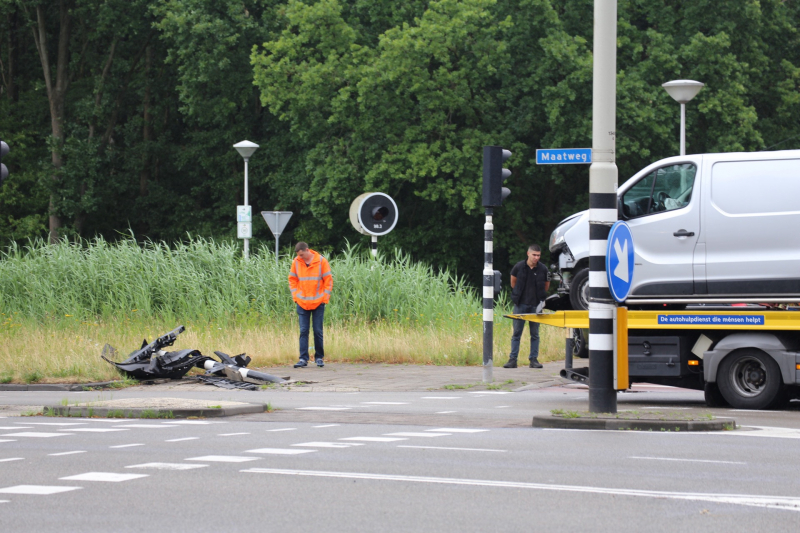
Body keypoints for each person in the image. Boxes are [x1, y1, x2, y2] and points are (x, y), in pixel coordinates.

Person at [504, 244, 550, 369]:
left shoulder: (543, 269)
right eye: (534, 255)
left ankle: (533, 360)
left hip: (536, 305)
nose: (536, 258)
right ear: (528, 254)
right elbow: (513, 283)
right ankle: (513, 359)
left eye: (538, 255)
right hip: (520, 304)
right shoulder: (518, 267)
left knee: (535, 334)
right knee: (516, 333)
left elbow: (546, 286)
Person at [289, 242, 333, 368]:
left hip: (318, 302)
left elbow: (328, 281)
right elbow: (292, 280)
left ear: (307, 250)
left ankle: (319, 357)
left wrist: (325, 298)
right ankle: (303, 359)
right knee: (303, 331)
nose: (301, 257)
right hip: (302, 302)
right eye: (299, 255)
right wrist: (296, 297)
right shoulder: (296, 262)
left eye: (302, 254)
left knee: (317, 331)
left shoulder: (321, 261)